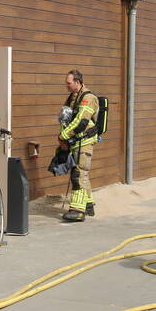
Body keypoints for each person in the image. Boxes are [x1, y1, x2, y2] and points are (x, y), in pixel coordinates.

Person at [58, 69, 100, 222]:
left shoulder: (88, 98)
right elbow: (65, 118)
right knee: (82, 172)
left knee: (79, 174)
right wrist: (63, 139)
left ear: (77, 82)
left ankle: (77, 210)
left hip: (85, 141)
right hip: (75, 141)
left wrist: (63, 136)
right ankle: (88, 205)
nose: (66, 86)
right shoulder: (72, 98)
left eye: (68, 83)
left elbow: (80, 122)